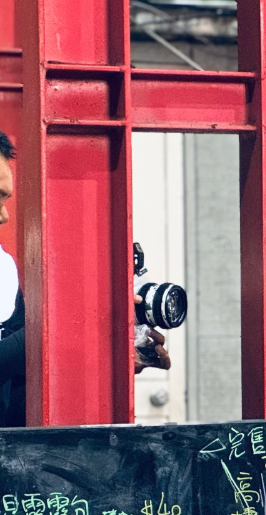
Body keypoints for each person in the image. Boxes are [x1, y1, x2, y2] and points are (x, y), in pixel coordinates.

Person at [0, 130, 169, 427]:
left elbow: (17, 374)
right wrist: (79, 324)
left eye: (5, 199)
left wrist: (105, 356)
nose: (4, 216)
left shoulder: (3, 265)